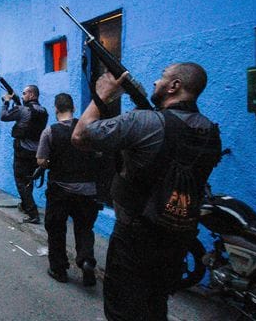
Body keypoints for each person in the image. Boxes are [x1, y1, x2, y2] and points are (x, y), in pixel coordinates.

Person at [72, 63, 222, 320]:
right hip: (176, 239)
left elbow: (80, 136)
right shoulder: (210, 131)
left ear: (175, 86)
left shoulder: (145, 122)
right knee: (155, 305)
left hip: (135, 238)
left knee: (124, 310)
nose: (155, 82)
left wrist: (103, 95)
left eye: (162, 77)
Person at [36, 93, 101, 286]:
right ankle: (87, 260)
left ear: (56, 108)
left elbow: (41, 160)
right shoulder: (87, 129)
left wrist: (50, 161)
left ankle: (59, 269)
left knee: (56, 228)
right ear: (73, 108)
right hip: (87, 190)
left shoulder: (50, 131)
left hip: (60, 189)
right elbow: (98, 153)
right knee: (84, 228)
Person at [0, 83, 48, 224]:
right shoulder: (43, 110)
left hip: (23, 152)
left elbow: (4, 116)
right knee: (28, 182)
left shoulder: (22, 110)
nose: (22, 95)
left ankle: (33, 214)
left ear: (32, 95)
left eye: (25, 93)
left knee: (21, 182)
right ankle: (26, 206)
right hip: (36, 152)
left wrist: (6, 102)